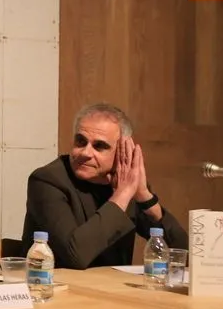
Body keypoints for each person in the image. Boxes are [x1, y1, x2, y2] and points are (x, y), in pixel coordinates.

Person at [21, 103, 187, 269]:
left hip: (111, 283)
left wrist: (145, 197)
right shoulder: (47, 181)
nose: (86, 153)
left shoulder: (127, 184)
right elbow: (75, 256)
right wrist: (122, 195)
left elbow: (183, 256)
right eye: (81, 141)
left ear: (122, 152)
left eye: (99, 146)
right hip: (56, 283)